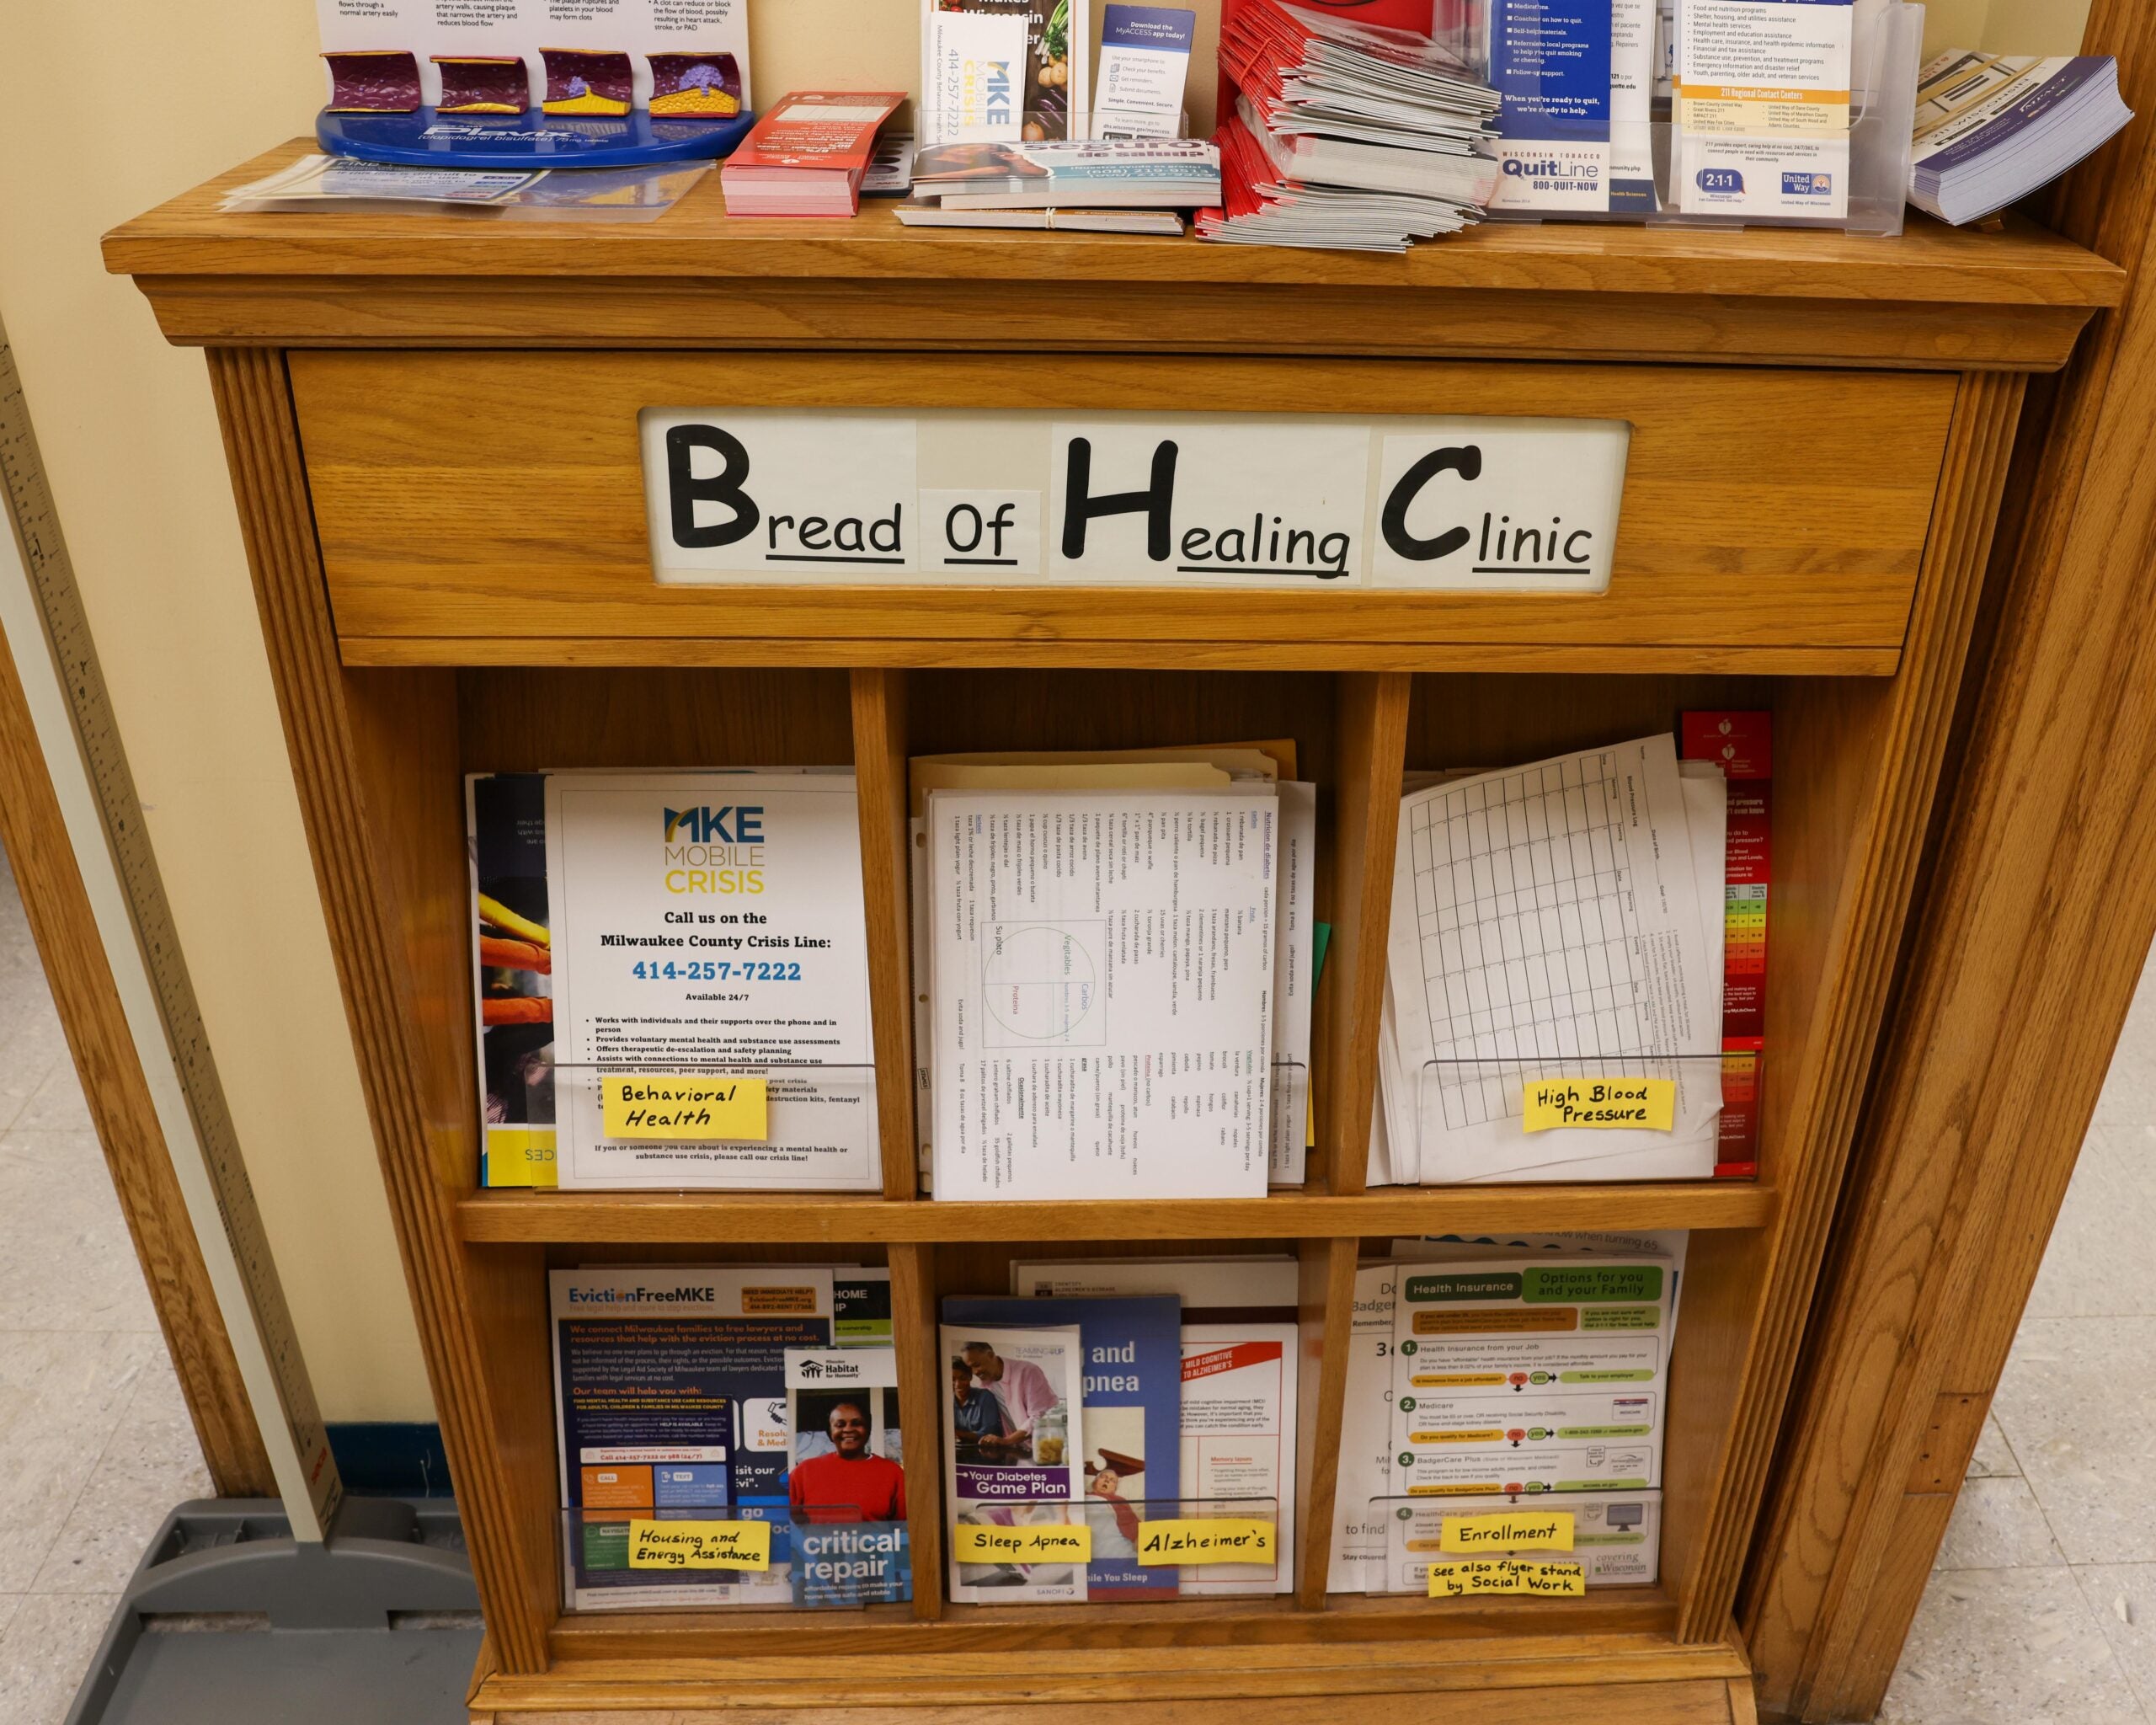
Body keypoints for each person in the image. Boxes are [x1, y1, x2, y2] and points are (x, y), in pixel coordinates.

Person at [787, 1398, 905, 1522]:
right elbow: (789, 1526)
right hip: (816, 1542)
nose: (848, 1429)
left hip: (876, 1542)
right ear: (830, 1432)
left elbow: (905, 1530)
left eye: (856, 1423)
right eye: (840, 1425)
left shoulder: (892, 1473)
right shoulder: (804, 1472)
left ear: (868, 1429)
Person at [961, 1339, 1059, 1447]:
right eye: (970, 1368)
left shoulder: (1028, 1371)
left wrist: (1007, 1441)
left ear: (990, 1355)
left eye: (977, 1365)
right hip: (1018, 1451)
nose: (975, 1372)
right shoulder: (984, 1386)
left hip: (1048, 1448)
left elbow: (1040, 1417)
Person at [950, 1356, 1014, 1456]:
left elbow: (988, 1434)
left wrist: (957, 1433)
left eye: (963, 1378)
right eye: (952, 1379)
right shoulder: (946, 1400)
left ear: (970, 1377)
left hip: (986, 1456)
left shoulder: (985, 1397)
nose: (958, 1385)